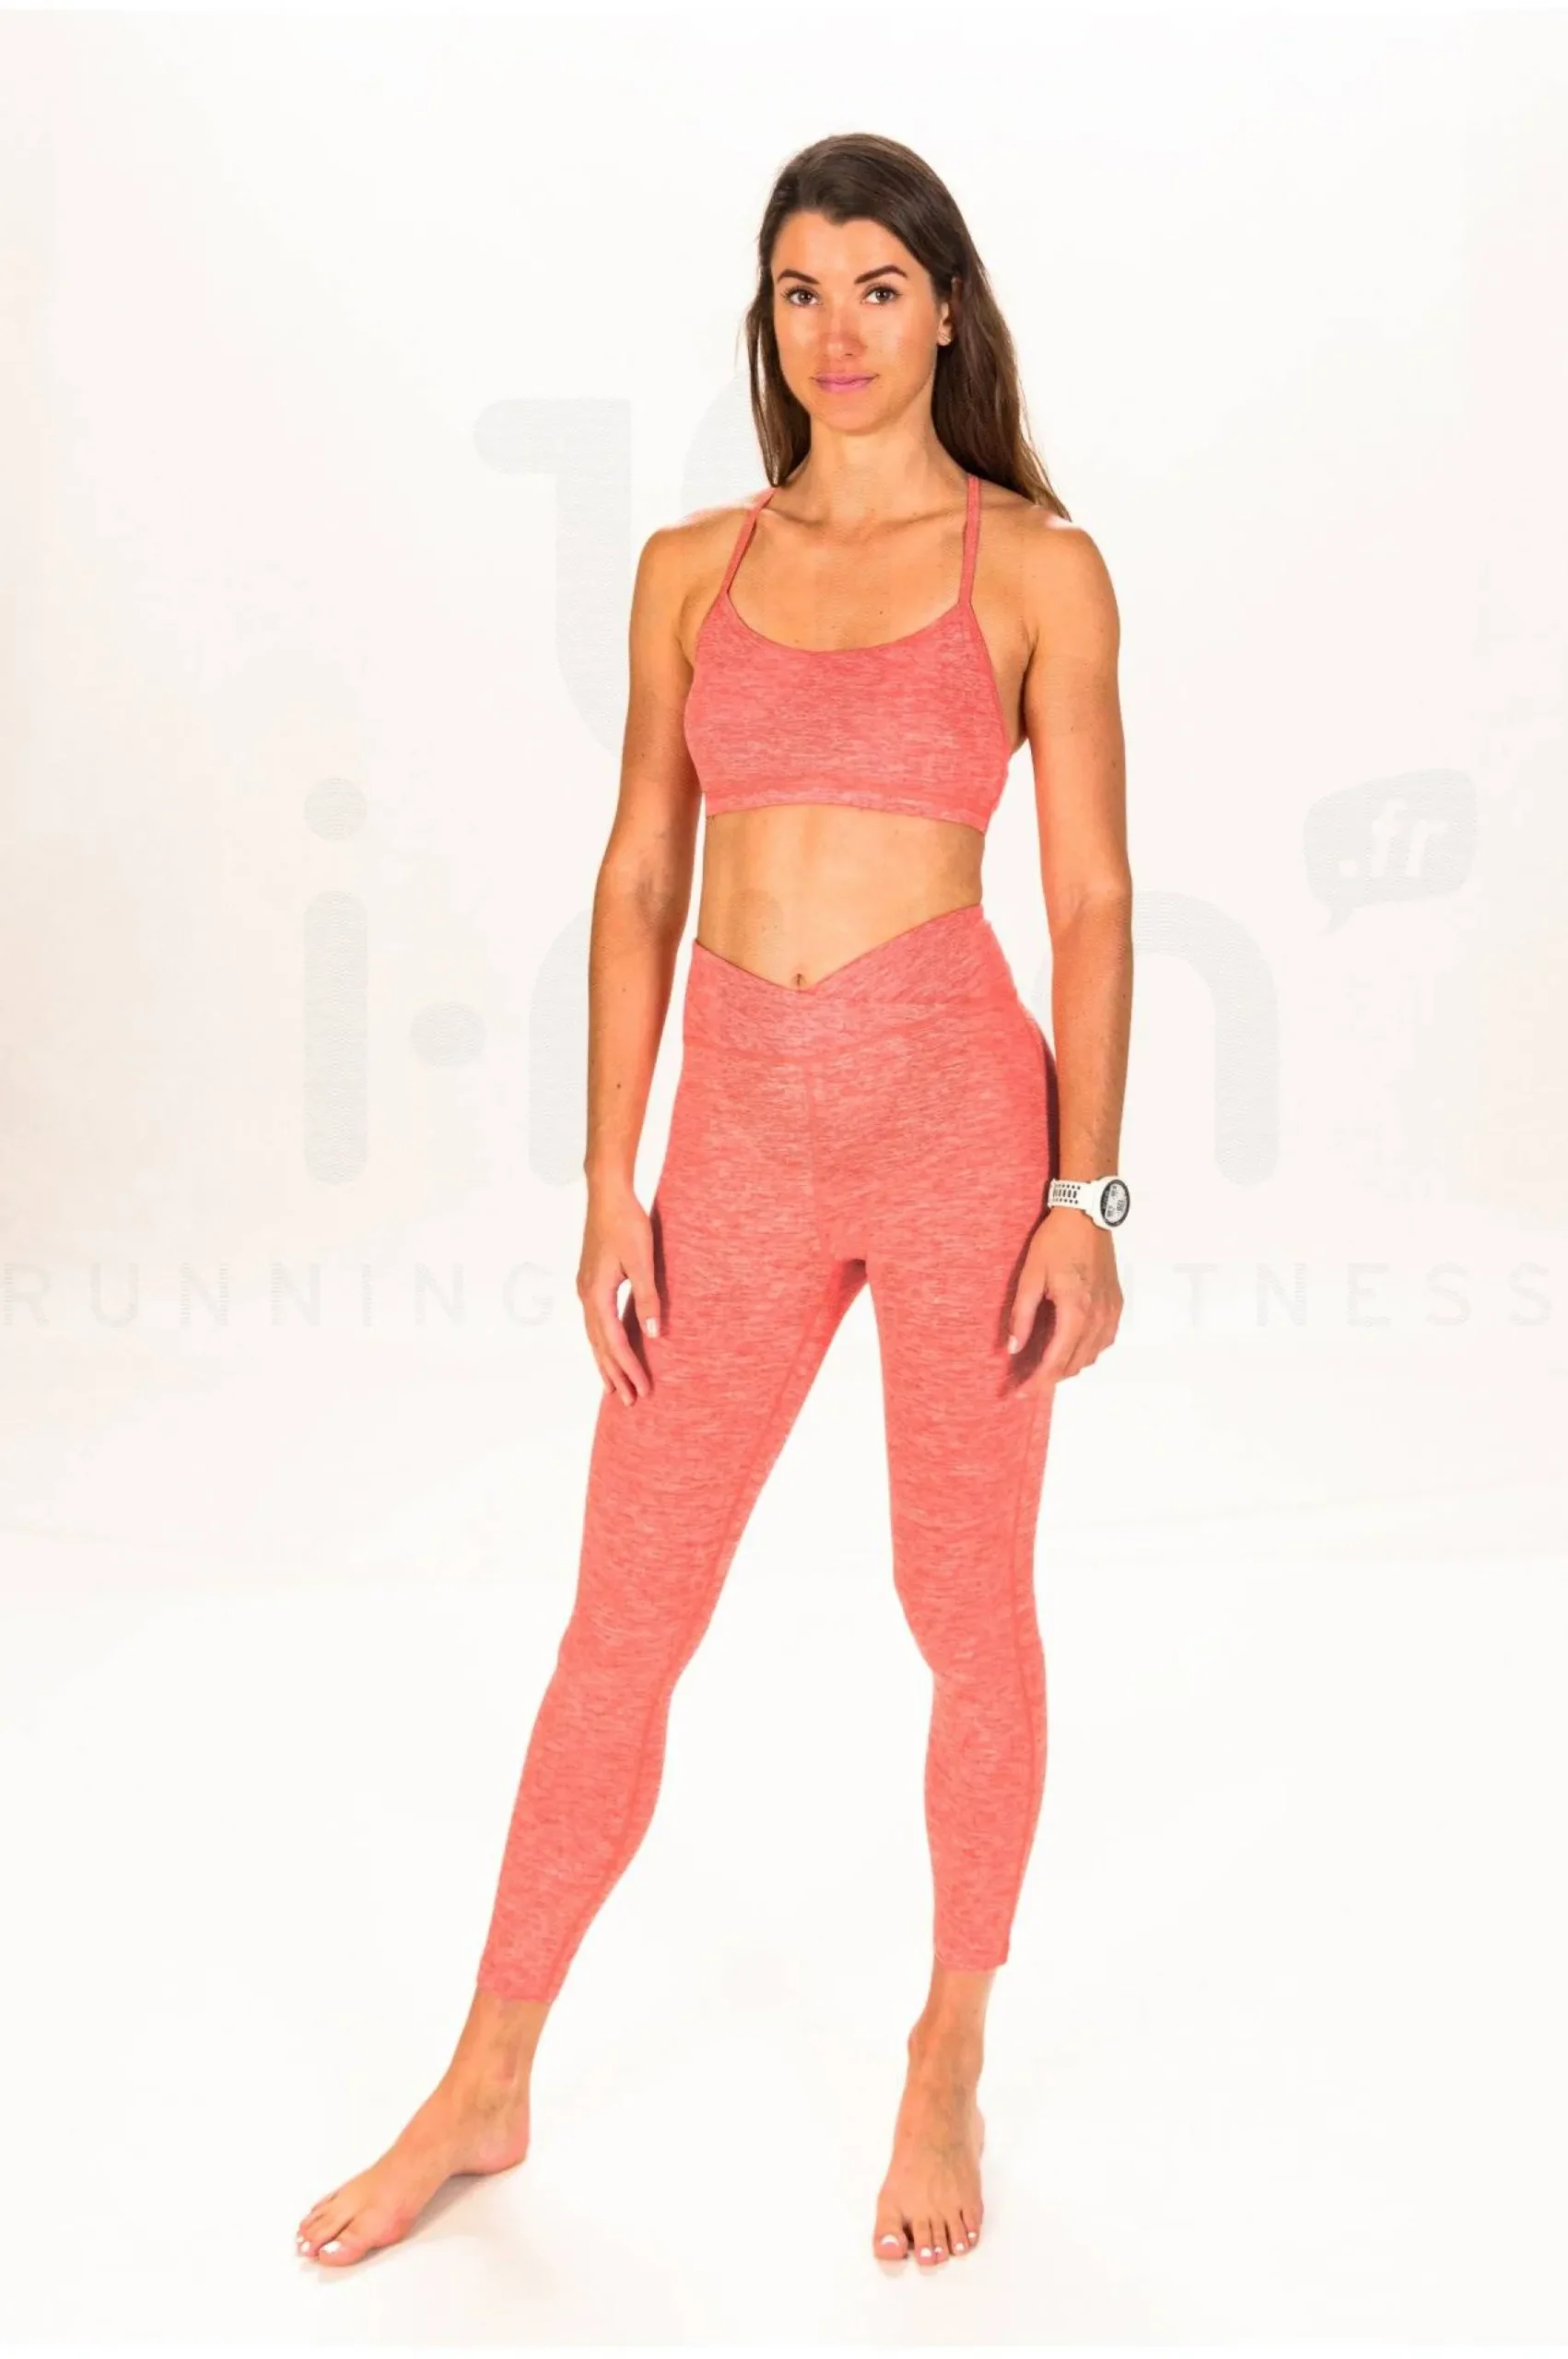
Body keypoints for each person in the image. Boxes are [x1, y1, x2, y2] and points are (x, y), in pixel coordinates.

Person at [297, 129, 1130, 2276]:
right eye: (797, 289)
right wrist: (608, 1177)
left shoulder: (1036, 569)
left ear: (945, 307)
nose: (835, 328)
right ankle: (489, 2069)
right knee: (622, 1620)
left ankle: (946, 2039)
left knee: (962, 1604)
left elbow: (1093, 897)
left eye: (877, 284)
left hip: (957, 1127)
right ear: (763, 320)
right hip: (735, 1144)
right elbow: (636, 875)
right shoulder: (691, 563)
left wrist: (1084, 1195)